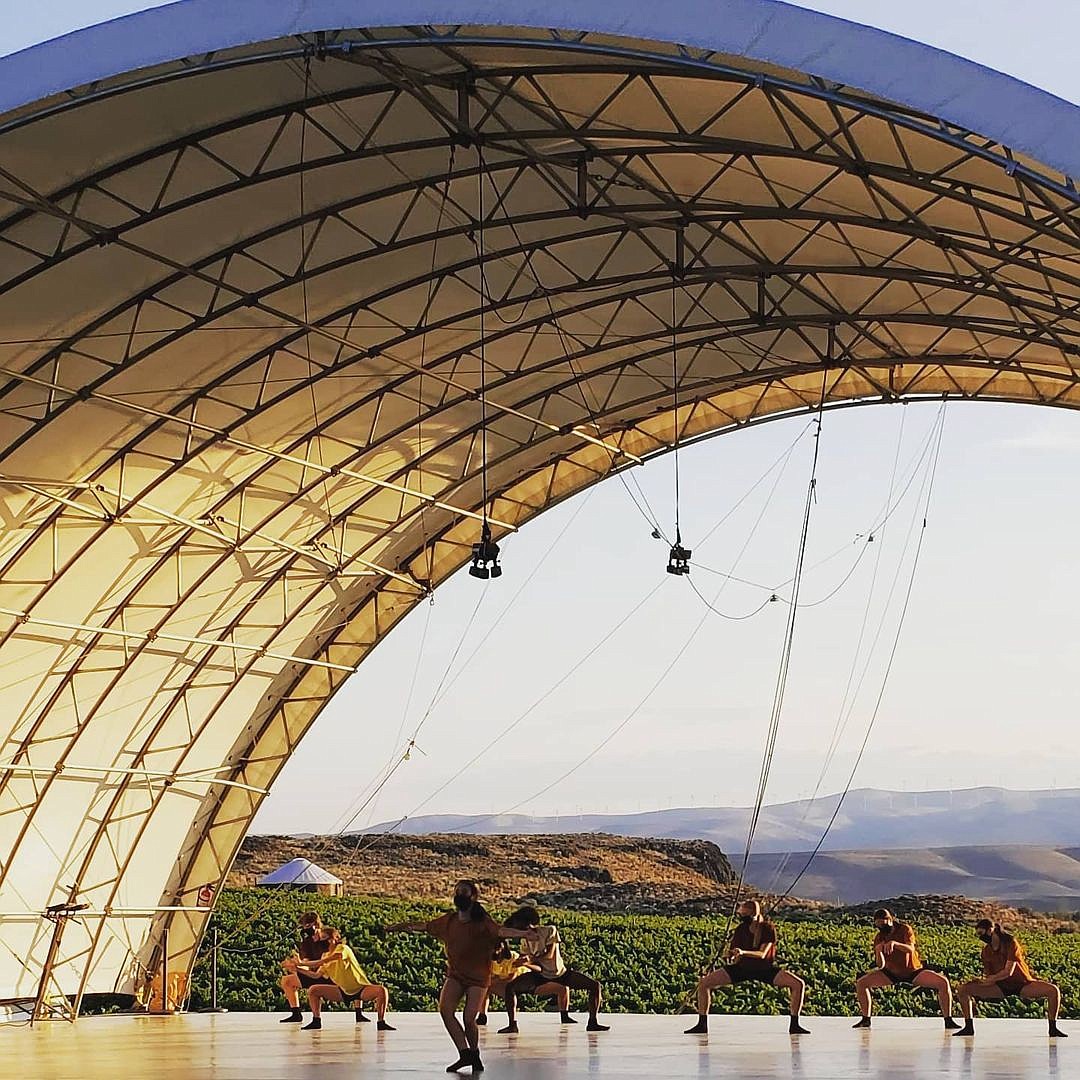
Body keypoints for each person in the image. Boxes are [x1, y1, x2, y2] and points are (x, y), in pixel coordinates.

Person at [386, 880, 537, 1074]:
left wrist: (524, 934)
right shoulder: (449, 921)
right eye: (457, 892)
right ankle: (465, 1053)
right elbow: (424, 926)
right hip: (456, 975)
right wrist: (400, 926)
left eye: (463, 892)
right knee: (445, 1010)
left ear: (473, 897)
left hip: (479, 978)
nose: (460, 895)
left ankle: (474, 1053)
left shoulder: (483, 922)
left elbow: (501, 931)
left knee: (468, 1018)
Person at [684, 898, 810, 1035]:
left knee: (798, 984)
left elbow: (762, 954)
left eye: (744, 915)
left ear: (752, 915)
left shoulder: (768, 928)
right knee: (704, 984)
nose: (742, 917)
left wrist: (743, 952)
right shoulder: (741, 929)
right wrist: (730, 956)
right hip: (742, 968)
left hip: (764, 969)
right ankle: (702, 1024)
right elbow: (734, 955)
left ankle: (794, 1024)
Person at [500, 906, 609, 1033]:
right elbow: (538, 968)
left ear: (530, 927)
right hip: (541, 975)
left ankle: (592, 1022)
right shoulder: (525, 942)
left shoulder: (550, 930)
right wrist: (524, 964)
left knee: (595, 986)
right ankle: (512, 1025)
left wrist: (529, 959)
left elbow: (549, 954)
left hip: (560, 973)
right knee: (510, 988)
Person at [953, 919, 1068, 1038]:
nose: (980, 937)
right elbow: (990, 977)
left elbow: (1008, 971)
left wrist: (991, 979)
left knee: (1053, 991)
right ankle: (968, 1027)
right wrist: (980, 982)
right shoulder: (986, 951)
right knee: (963, 989)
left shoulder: (1010, 943)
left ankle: (1053, 1028)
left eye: (982, 933)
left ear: (991, 930)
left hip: (1022, 984)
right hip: (1000, 986)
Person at [852, 908, 958, 1029]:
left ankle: (948, 1020)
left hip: (913, 971)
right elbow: (880, 965)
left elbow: (910, 949)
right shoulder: (879, 937)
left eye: (883, 923)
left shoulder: (904, 929)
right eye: (878, 925)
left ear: (890, 920)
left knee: (943, 982)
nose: (881, 927)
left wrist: (895, 944)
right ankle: (866, 1019)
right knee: (862, 983)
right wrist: (878, 952)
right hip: (891, 972)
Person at [291, 926, 394, 1030]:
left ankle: (381, 1022)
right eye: (321, 938)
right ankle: (316, 1020)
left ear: (335, 938)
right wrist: (298, 969)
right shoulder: (325, 955)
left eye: (325, 938)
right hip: (343, 990)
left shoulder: (342, 948)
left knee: (381, 991)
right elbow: (316, 975)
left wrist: (302, 963)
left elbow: (328, 960)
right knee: (313, 990)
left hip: (360, 989)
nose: (323, 941)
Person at [478, 940, 573, 1027]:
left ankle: (564, 1015)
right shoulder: (489, 961)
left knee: (563, 988)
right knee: (485, 988)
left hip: (526, 983)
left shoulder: (513, 957)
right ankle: (483, 1016)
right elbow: (489, 976)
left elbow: (511, 977)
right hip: (508, 985)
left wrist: (495, 980)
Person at [278, 910, 337, 1023]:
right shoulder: (307, 942)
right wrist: (296, 967)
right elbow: (306, 962)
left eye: (308, 925)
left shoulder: (329, 938)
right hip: (315, 974)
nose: (306, 929)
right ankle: (296, 1014)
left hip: (331, 975)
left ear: (316, 924)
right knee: (287, 981)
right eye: (304, 926)